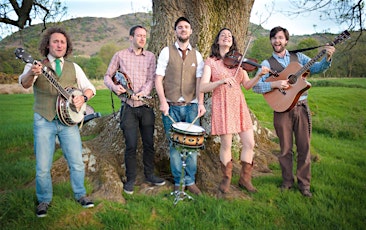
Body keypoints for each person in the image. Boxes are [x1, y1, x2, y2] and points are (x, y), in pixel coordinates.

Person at [18, 27, 96, 217]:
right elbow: (24, 83)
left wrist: (82, 99)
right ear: (47, 44)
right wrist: (32, 73)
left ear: (67, 46)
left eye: (62, 42)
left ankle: (80, 195)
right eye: (55, 41)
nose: (59, 44)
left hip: (69, 122)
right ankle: (44, 199)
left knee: (77, 162)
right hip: (44, 120)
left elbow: (90, 88)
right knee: (43, 166)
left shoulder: (74, 67)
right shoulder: (35, 65)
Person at [252, 26, 335, 197]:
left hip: (302, 107)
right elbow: (256, 86)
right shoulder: (267, 63)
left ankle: (304, 185)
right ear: (271, 41)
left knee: (304, 147)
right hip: (281, 109)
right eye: (274, 38)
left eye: (280, 38)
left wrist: (327, 56)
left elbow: (317, 68)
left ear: (286, 41)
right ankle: (287, 181)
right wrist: (275, 84)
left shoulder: (299, 58)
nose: (277, 41)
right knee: (285, 149)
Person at [199, 28, 270, 194]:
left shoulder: (239, 62)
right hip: (222, 104)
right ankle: (226, 179)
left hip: (238, 104)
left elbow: (246, 85)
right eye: (223, 35)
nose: (226, 37)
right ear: (217, 41)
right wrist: (221, 81)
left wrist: (259, 75)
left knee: (250, 143)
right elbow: (202, 86)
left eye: (229, 36)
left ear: (232, 42)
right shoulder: (211, 62)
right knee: (226, 145)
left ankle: (245, 179)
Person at [104, 25, 165, 195]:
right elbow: (108, 76)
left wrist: (141, 94)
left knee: (148, 144)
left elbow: (151, 79)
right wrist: (114, 88)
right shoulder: (120, 55)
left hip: (145, 106)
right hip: (128, 108)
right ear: (131, 38)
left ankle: (150, 175)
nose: (142, 39)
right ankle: (130, 179)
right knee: (130, 145)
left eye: (144, 36)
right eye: (139, 36)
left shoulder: (151, 57)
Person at [155, 17, 206, 195]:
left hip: (192, 106)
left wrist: (201, 103)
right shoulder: (166, 52)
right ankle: (179, 182)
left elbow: (200, 82)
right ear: (175, 31)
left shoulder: (197, 55)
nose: (183, 30)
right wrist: (163, 102)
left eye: (186, 27)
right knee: (175, 145)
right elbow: (158, 78)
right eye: (180, 27)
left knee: (192, 145)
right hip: (171, 106)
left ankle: (190, 181)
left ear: (191, 31)